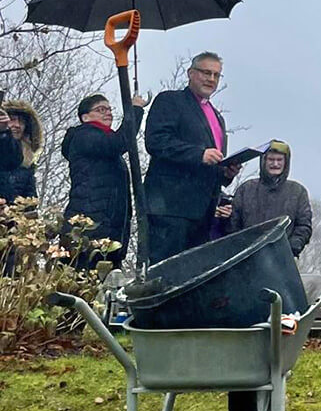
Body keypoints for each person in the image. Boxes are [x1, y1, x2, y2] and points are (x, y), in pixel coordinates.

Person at [143, 52, 241, 263]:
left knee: (191, 277)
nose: (211, 79)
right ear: (190, 73)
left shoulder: (217, 117)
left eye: (216, 75)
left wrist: (226, 172)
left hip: (204, 213)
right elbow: (156, 141)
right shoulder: (171, 101)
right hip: (170, 207)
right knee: (165, 274)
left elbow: (211, 162)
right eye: (206, 72)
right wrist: (199, 154)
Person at [62, 94, 146, 267]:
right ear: (85, 117)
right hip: (90, 225)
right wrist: (135, 110)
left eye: (109, 109)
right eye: (100, 110)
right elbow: (120, 142)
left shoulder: (105, 145)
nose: (107, 113)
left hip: (109, 225)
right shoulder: (85, 136)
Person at [228, 139, 313, 257]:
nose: (275, 164)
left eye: (279, 160)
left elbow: (303, 226)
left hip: (282, 259)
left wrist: (291, 248)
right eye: (271, 159)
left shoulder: (297, 192)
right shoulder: (246, 189)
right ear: (263, 161)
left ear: (286, 162)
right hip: (246, 257)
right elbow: (233, 224)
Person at [0, 100, 41, 203]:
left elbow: (30, 195)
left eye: (21, 121)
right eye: (12, 120)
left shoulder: (28, 159)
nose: (17, 125)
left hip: (14, 215)